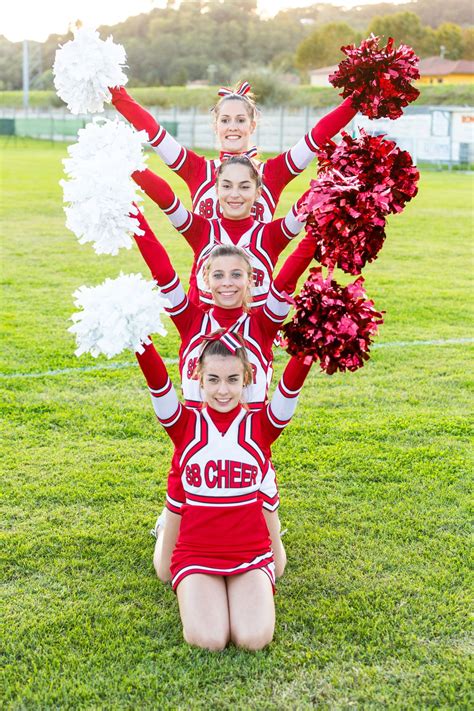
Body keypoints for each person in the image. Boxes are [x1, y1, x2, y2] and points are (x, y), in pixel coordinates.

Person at [132, 207, 316, 580]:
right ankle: (169, 523)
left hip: (250, 450)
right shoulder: (190, 319)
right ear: (204, 279)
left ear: (251, 280)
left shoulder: (264, 323)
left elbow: (292, 272)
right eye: (218, 275)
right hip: (194, 448)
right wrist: (134, 216)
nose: (227, 283)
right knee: (166, 572)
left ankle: (251, 519)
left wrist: (325, 225)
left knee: (276, 570)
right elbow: (161, 269)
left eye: (237, 275)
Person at [136, 330, 313, 650]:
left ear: (246, 379)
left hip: (249, 550)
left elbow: (289, 390)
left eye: (232, 379)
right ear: (199, 380)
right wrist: (139, 341)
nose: (222, 389)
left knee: (253, 639)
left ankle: (239, 583)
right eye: (213, 379)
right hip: (196, 550)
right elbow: (158, 385)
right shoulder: (183, 425)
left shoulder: (260, 426)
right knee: (209, 640)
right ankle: (165, 527)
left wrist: (309, 349)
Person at [110, 81, 357, 221]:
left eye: (240, 120)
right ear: (215, 126)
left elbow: (318, 135)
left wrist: (358, 98)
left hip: (257, 299)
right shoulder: (197, 169)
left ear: (252, 124)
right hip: (204, 299)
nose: (233, 127)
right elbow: (153, 131)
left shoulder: (274, 172)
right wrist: (115, 92)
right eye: (225, 120)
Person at [133, 154, 308, 308]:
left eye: (245, 186)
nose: (234, 194)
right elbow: (166, 200)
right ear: (216, 190)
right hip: (206, 339)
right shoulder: (202, 230)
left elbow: (312, 202)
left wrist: (333, 179)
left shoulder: (271, 235)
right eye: (226, 186)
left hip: (253, 339)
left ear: (258, 193)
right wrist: (127, 164)